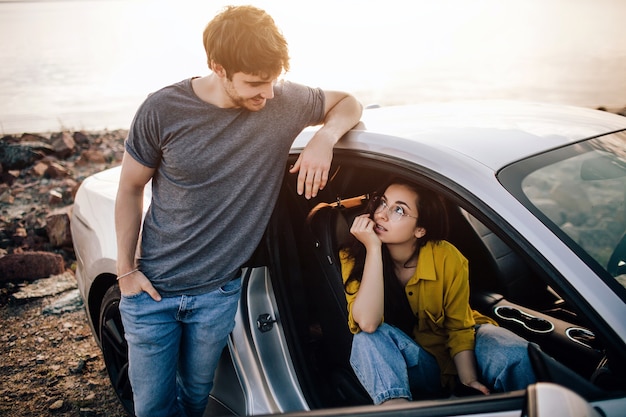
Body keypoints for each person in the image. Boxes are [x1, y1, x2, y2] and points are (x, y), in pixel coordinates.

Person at [114, 5, 362, 417]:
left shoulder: (279, 100)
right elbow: (129, 188)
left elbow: (349, 102)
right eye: (253, 85)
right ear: (218, 67)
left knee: (196, 399)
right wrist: (125, 271)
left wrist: (325, 137)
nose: (265, 96)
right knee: (153, 409)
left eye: (271, 83)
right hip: (152, 293)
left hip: (218, 295)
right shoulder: (161, 110)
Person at [340, 179, 536, 405]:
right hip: (417, 363)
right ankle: (397, 409)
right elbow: (367, 323)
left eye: (399, 210)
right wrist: (373, 248)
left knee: (512, 350)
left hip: (460, 350)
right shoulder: (353, 256)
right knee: (367, 339)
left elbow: (459, 327)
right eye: (382, 203)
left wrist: (468, 382)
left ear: (420, 229)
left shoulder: (447, 257)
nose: (381, 215)